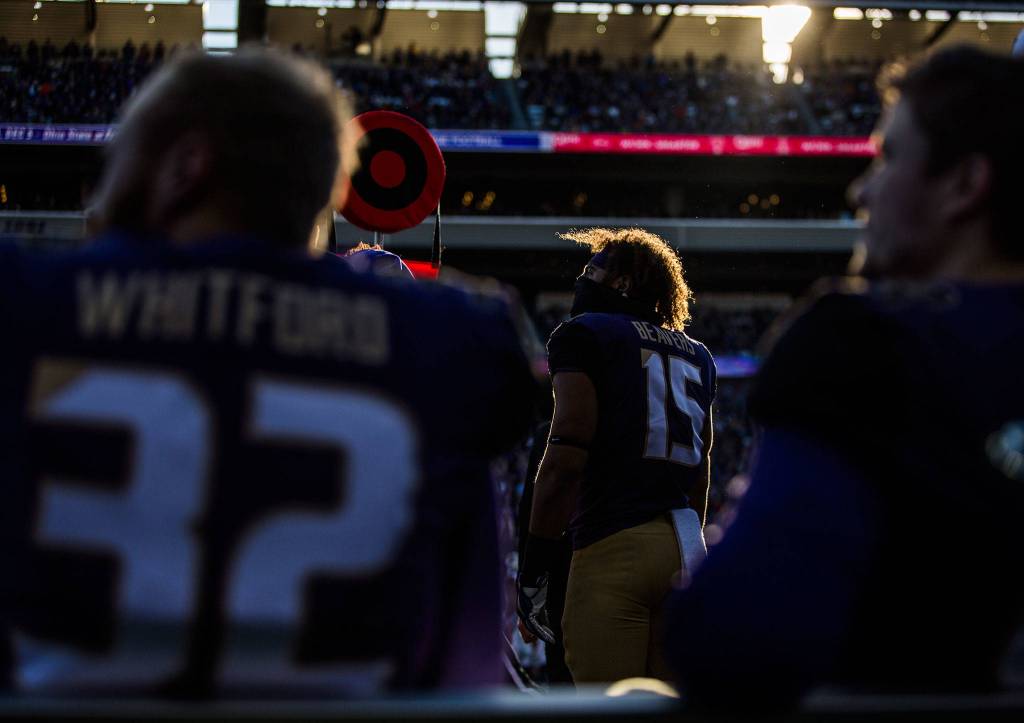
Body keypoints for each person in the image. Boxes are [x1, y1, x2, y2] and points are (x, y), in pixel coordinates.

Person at [0, 49, 535, 697]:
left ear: (185, 168)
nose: (101, 190)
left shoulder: (30, 303)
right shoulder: (447, 343)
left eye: (115, 161)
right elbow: (462, 665)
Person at [667, 45, 1024, 709]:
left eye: (888, 157)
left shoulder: (862, 340)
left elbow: (730, 636)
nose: (861, 189)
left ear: (964, 185)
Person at [518, 228, 716, 684]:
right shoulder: (698, 354)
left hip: (612, 544)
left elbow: (567, 450)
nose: (582, 279)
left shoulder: (586, 334)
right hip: (681, 545)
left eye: (592, 271)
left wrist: (535, 565)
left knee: (604, 705)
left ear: (622, 283)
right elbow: (701, 471)